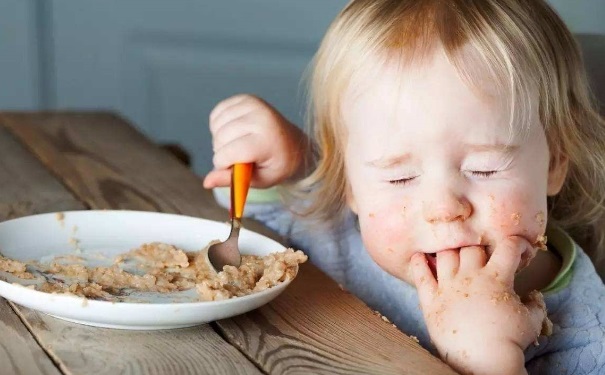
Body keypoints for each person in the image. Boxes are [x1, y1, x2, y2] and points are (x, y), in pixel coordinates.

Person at [203, 0, 605, 373]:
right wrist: (290, 165)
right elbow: (263, 225)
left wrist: (488, 359)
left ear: (554, 161)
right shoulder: (345, 238)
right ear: (351, 185)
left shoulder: (585, 332)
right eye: (400, 177)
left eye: (484, 168)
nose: (443, 207)